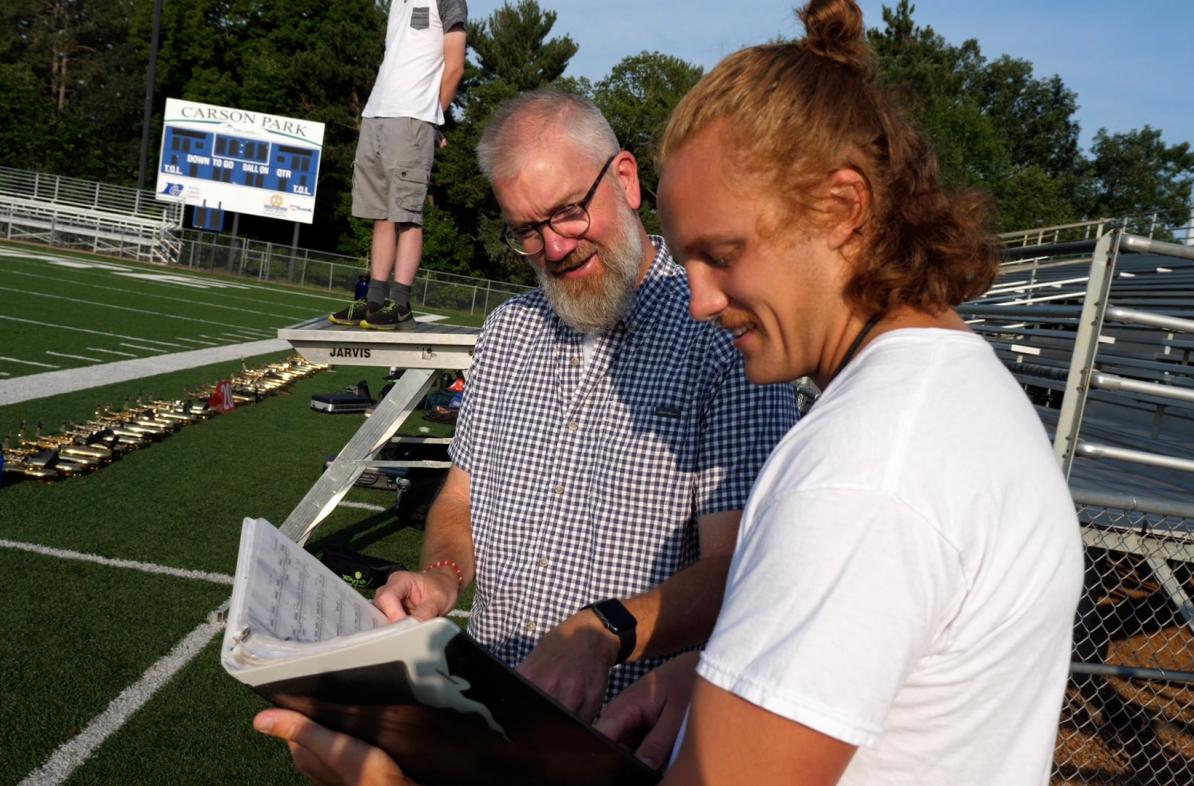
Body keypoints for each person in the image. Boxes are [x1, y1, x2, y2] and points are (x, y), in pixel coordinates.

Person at [256, 3, 1082, 779]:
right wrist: (705, 672)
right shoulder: (936, 403)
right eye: (526, 230)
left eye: (722, 254)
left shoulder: (868, 467)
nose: (700, 300)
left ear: (842, 208)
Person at [329, 0, 467, 331]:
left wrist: (434, 118)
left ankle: (400, 304)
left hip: (413, 118)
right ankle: (374, 300)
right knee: (383, 213)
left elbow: (455, 66)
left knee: (407, 214)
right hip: (377, 113)